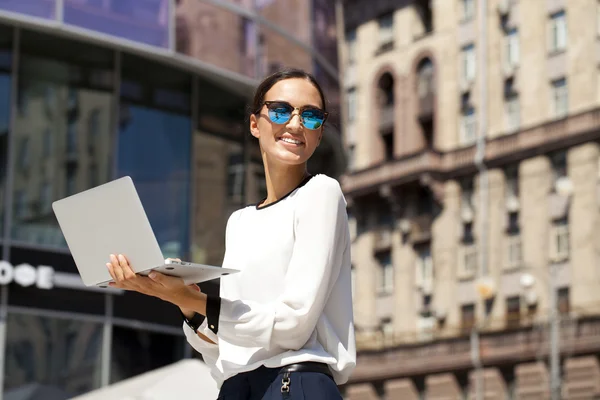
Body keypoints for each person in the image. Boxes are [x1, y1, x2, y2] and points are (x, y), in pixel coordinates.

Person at [106, 68, 356, 399]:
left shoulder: (321, 193)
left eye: (310, 116)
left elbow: (293, 326)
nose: (296, 124)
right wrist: (183, 304)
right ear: (255, 124)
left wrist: (189, 298)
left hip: (295, 383)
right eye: (281, 110)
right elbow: (227, 347)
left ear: (320, 133)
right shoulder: (240, 222)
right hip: (236, 388)